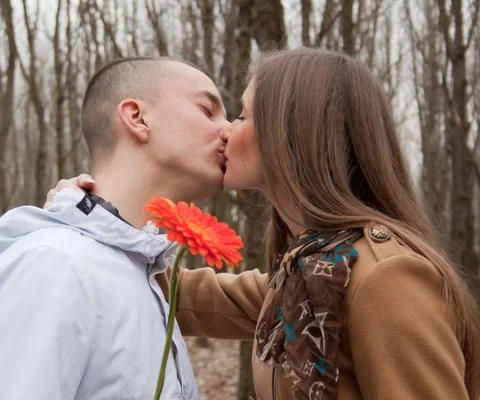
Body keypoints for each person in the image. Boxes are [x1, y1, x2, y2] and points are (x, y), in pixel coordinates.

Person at [47, 49, 480, 400]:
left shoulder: (383, 276)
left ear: (292, 131)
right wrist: (92, 221)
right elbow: (183, 294)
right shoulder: (311, 272)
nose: (226, 131)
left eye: (241, 116)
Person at [0, 57, 233, 400]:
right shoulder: (55, 267)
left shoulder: (142, 275)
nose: (228, 130)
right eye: (208, 110)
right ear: (138, 118)